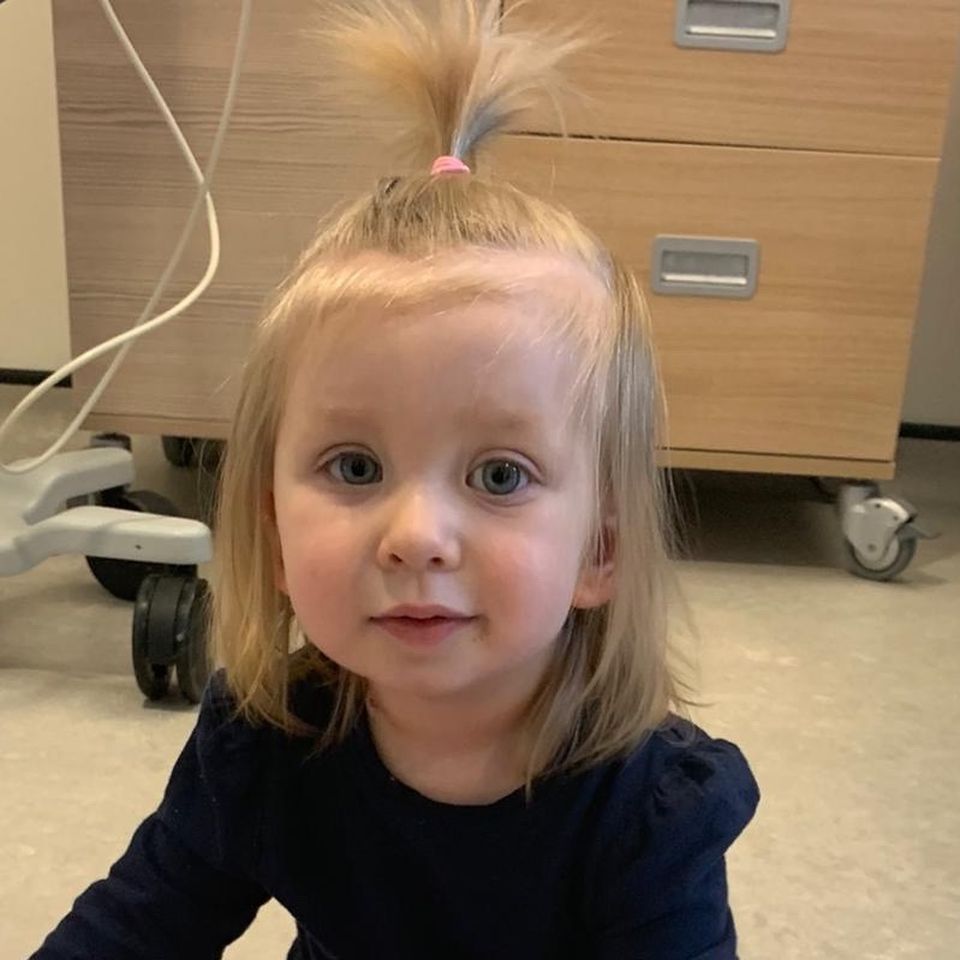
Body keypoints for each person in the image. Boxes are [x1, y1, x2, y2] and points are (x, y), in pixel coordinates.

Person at [31, 1, 759, 957]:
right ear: (274, 534)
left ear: (601, 550)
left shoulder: (648, 814)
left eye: (499, 475)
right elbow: (134, 928)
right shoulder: (265, 746)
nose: (416, 535)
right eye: (356, 467)